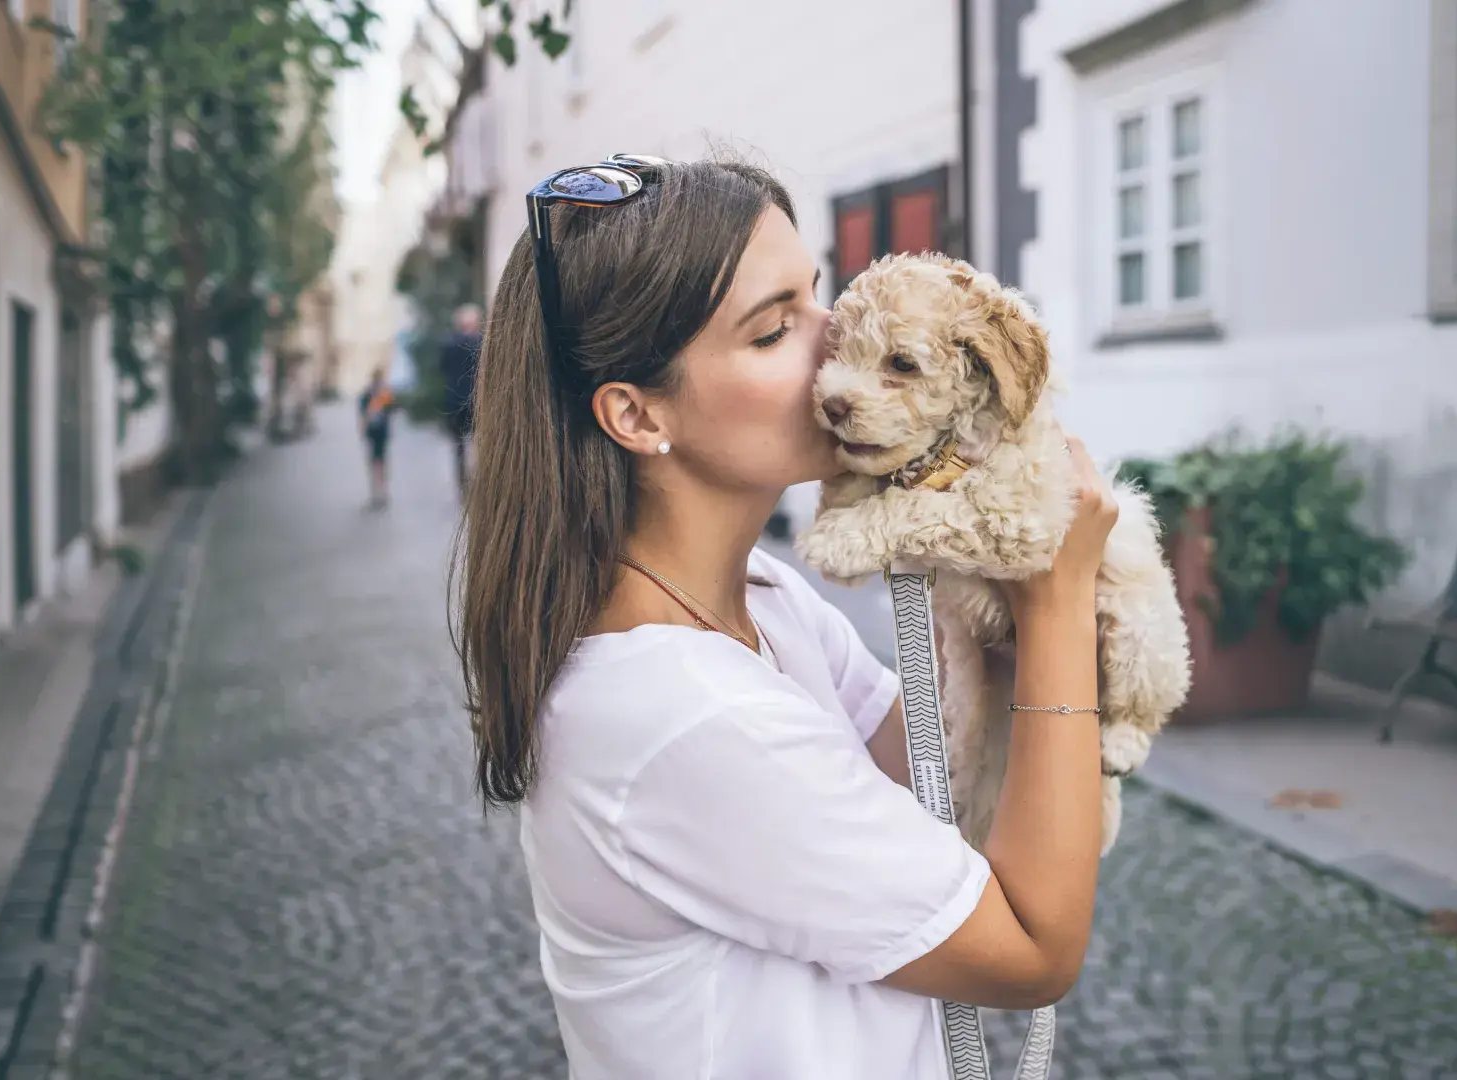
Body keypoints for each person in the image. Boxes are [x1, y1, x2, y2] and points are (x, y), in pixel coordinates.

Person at [453, 157, 1117, 1078]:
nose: (832, 337)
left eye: (816, 296)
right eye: (774, 331)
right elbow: (1033, 951)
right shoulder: (683, 713)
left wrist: (992, 536)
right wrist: (1056, 600)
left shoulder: (762, 598)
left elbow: (945, 788)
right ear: (637, 417)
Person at [439, 303, 483, 496]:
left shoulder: (449, 344)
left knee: (458, 446)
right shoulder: (481, 343)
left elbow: (442, 369)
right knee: (478, 441)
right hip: (476, 400)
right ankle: (478, 481)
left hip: (454, 400)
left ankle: (462, 486)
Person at [357, 367, 395, 507]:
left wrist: (362, 429)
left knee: (375, 462)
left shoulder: (369, 393)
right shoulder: (385, 392)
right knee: (381, 461)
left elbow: (363, 414)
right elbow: (391, 411)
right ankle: (382, 492)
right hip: (381, 432)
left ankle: (376, 493)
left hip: (373, 432)